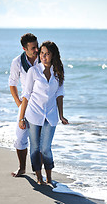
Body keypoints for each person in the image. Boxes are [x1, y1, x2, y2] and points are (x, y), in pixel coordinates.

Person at [19, 41, 69, 184]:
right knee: (35, 148)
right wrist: (21, 118)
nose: (43, 56)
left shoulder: (58, 71)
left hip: (51, 115)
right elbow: (26, 95)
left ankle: (49, 177)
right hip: (34, 114)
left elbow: (60, 93)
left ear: (53, 55)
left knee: (46, 148)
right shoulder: (33, 71)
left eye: (47, 54)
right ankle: (39, 177)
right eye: (42, 53)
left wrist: (61, 115)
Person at [9, 33, 39, 177]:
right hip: (26, 104)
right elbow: (12, 83)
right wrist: (19, 103)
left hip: (42, 105)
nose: (36, 50)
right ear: (24, 48)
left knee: (39, 140)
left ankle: (39, 171)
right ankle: (22, 168)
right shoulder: (17, 62)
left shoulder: (44, 58)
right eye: (33, 48)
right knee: (20, 137)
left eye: (37, 46)